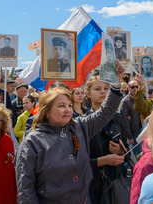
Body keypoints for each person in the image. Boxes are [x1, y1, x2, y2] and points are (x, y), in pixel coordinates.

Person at [16, 61, 125, 203]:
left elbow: (106, 112)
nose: (67, 110)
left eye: (69, 105)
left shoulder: (80, 126)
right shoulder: (32, 142)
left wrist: (116, 85)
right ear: (47, 112)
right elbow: (26, 190)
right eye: (61, 106)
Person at [84, 75, 128, 203]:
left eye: (106, 88)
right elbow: (80, 161)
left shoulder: (118, 118)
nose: (103, 91)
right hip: (95, 184)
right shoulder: (83, 122)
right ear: (88, 94)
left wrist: (121, 150)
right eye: (97, 89)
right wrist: (103, 161)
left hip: (117, 179)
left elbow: (127, 149)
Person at [119, 79, 142, 153]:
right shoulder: (125, 101)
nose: (135, 88)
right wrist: (130, 137)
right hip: (133, 134)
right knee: (139, 156)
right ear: (128, 88)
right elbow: (124, 120)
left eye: (136, 86)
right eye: (132, 87)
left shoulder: (139, 99)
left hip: (141, 131)